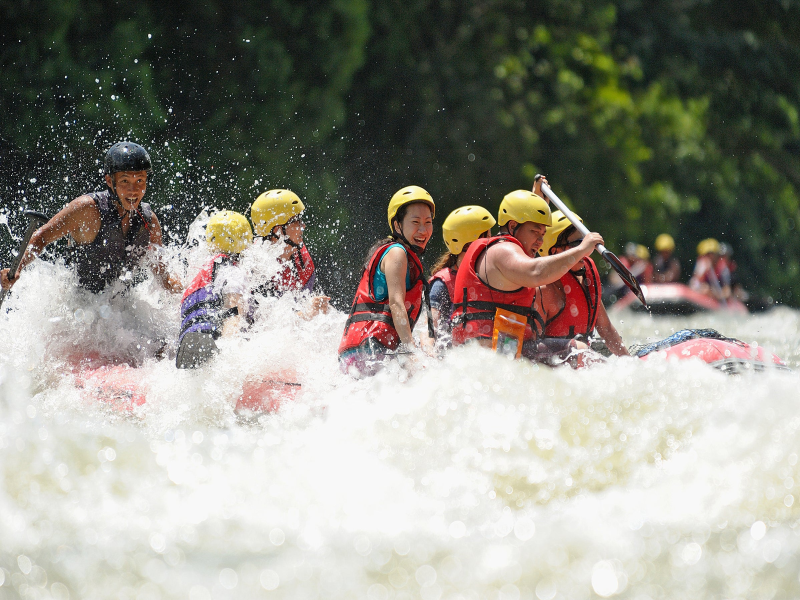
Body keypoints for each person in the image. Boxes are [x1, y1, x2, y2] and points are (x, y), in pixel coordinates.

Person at [0, 142, 180, 294]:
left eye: (140, 181)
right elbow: (42, 236)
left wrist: (187, 289)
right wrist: (17, 268)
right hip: (75, 310)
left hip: (119, 318)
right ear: (110, 181)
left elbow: (163, 276)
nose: (133, 190)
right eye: (125, 181)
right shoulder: (87, 209)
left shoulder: (148, 222)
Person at [450, 188, 604, 361]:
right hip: (486, 354)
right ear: (513, 226)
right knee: (580, 351)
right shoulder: (503, 250)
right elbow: (536, 272)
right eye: (535, 232)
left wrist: (537, 200)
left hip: (495, 353)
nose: (540, 241)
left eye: (543, 234)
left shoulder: (506, 251)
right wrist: (582, 249)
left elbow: (531, 261)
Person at [338, 185, 436, 377]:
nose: (423, 230)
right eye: (415, 222)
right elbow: (396, 304)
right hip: (369, 352)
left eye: (428, 222)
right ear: (397, 225)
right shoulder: (397, 253)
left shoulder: (395, 252)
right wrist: (410, 351)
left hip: (360, 352)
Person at [535, 211, 628, 356]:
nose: (584, 250)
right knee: (580, 350)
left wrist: (628, 361)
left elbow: (606, 329)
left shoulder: (587, 274)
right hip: (556, 360)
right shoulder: (545, 289)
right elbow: (528, 346)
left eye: (584, 242)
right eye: (577, 245)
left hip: (580, 357)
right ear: (555, 251)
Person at [176, 210, 253, 368]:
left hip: (187, 343)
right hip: (212, 341)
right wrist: (232, 361)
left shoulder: (197, 275)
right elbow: (232, 313)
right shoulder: (233, 272)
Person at [250, 189, 329, 317]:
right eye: (296, 221)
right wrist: (305, 314)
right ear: (278, 230)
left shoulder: (302, 260)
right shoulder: (256, 264)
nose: (303, 226)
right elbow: (266, 319)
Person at [429, 206, 495, 342]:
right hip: (452, 354)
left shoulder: (487, 277)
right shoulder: (441, 284)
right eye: (487, 238)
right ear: (469, 245)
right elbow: (429, 329)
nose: (492, 245)